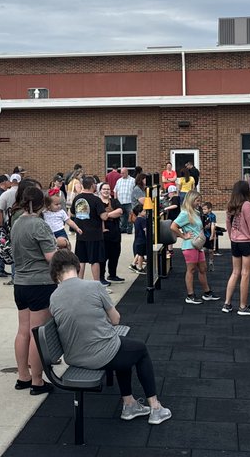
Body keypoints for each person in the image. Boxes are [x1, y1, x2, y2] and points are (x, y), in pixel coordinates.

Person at [49, 249, 171, 423]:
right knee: (139, 350)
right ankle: (155, 407)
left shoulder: (54, 297)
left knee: (124, 348)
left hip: (74, 356)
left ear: (55, 272)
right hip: (100, 355)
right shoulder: (94, 286)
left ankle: (129, 404)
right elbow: (115, 320)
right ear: (76, 266)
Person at [10, 181, 56, 395]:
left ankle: (23, 376)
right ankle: (37, 381)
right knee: (38, 334)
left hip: (20, 283)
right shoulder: (39, 224)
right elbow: (51, 257)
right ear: (40, 204)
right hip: (40, 283)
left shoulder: (17, 222)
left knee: (22, 331)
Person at [223, 181, 250, 315]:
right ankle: (243, 306)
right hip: (246, 242)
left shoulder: (230, 206)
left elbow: (228, 224)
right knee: (245, 274)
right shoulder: (246, 205)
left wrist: (231, 236)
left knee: (235, 272)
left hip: (235, 241)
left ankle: (227, 304)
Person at [172, 190, 214, 304]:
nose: (199, 203)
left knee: (203, 268)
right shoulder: (185, 213)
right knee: (191, 270)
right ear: (191, 200)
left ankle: (207, 292)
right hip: (189, 245)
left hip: (198, 245)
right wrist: (183, 236)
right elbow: (173, 226)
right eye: (197, 200)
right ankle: (190, 295)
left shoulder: (195, 212)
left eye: (199, 201)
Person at [70, 176, 106, 282]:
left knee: (81, 259)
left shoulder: (77, 198)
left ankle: (79, 282)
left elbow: (72, 213)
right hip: (94, 234)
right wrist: (108, 213)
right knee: (94, 260)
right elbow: (103, 216)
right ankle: (96, 283)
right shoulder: (96, 199)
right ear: (92, 185)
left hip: (81, 233)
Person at [99, 182, 126, 285]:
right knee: (103, 257)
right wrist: (110, 215)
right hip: (103, 234)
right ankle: (101, 277)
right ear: (100, 191)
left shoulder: (114, 201)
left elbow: (120, 211)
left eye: (107, 189)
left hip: (115, 233)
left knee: (115, 255)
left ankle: (112, 275)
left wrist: (106, 215)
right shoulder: (97, 202)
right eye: (104, 189)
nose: (106, 191)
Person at [114, 167, 136, 233]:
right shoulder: (119, 180)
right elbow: (115, 190)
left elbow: (135, 191)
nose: (122, 174)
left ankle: (129, 229)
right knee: (122, 217)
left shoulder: (133, 180)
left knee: (130, 216)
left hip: (129, 201)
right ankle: (123, 229)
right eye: (121, 173)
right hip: (121, 202)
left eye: (123, 173)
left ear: (127, 172)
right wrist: (116, 200)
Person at [130, 207, 149, 274]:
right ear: (139, 212)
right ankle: (140, 268)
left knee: (138, 253)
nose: (145, 212)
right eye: (144, 211)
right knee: (141, 254)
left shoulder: (136, 219)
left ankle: (133, 264)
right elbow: (145, 229)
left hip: (137, 239)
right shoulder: (142, 220)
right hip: (142, 239)